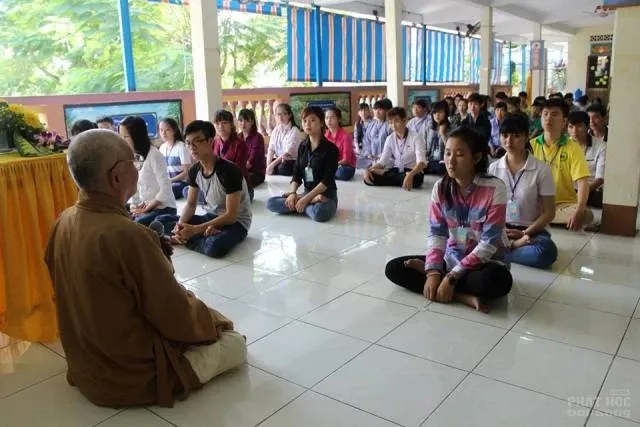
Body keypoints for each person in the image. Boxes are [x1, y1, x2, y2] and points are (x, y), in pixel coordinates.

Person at [45, 129, 246, 408]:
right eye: (133, 162)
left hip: (84, 363)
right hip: (130, 373)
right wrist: (212, 321)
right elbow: (174, 314)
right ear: (117, 176)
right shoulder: (127, 235)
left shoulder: (63, 220)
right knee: (235, 343)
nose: (137, 168)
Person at [385, 127, 512, 313]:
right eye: (447, 153)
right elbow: (437, 233)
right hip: (452, 256)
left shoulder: (495, 188)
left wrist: (451, 277)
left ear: (476, 158)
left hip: (486, 262)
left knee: (497, 281)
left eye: (459, 154)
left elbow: (489, 244)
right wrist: (433, 272)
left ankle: (444, 283)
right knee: (394, 268)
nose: (450, 161)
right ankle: (461, 295)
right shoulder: (440, 187)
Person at [157, 120, 252, 258]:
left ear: (210, 141)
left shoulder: (229, 171)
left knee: (215, 247)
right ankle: (190, 236)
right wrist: (180, 226)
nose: (192, 147)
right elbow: (191, 204)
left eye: (197, 141)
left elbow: (231, 215)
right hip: (212, 216)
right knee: (161, 220)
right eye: (188, 143)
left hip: (236, 223)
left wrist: (195, 230)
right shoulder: (194, 170)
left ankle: (189, 238)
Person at [489, 114, 558, 269]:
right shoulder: (493, 168)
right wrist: (501, 232)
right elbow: (488, 208)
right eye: (505, 135)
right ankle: (511, 247)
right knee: (464, 237)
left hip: (532, 231)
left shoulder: (541, 170)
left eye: (516, 136)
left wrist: (525, 233)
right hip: (501, 229)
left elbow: (549, 213)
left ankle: (496, 252)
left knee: (545, 252)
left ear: (526, 137)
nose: (509, 141)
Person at [266, 106, 339, 222]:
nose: (307, 124)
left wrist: (305, 199)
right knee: (270, 203)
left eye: (312, 120)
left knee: (319, 213)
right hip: (308, 194)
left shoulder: (331, 149)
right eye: (305, 121)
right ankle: (306, 203)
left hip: (326, 196)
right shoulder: (303, 146)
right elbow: (296, 174)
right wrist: (293, 193)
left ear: (321, 123)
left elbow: (326, 181)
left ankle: (301, 204)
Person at [531, 98, 594, 230]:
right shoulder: (531, 145)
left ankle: (543, 217)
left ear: (564, 121)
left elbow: (582, 181)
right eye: (545, 114)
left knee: (586, 214)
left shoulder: (573, 147)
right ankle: (546, 217)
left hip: (563, 205)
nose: (548, 118)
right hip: (535, 203)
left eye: (554, 114)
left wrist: (580, 207)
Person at [119, 116, 176, 226]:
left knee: (137, 224)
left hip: (164, 208)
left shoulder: (154, 155)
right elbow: (137, 188)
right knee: (123, 218)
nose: (122, 140)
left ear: (137, 136)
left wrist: (148, 208)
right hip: (148, 205)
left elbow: (166, 188)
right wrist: (137, 205)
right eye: (120, 136)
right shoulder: (134, 156)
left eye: (125, 136)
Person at [363, 107, 426, 190]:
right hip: (396, 171)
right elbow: (382, 162)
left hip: (412, 171)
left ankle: (395, 178)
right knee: (369, 177)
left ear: (405, 121)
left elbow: (422, 163)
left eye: (396, 121)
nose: (393, 125)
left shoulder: (416, 137)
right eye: (390, 122)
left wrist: (410, 174)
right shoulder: (390, 138)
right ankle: (398, 179)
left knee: (416, 179)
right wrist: (369, 170)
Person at [568, 111, 606, 209]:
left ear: (588, 126)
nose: (574, 131)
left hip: (591, 189)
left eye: (579, 126)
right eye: (571, 127)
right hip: (569, 190)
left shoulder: (601, 146)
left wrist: (582, 192)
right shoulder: (564, 145)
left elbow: (600, 178)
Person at [212, 109, 253, 201]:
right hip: (219, 187)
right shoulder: (214, 143)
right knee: (187, 190)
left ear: (231, 124)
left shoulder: (240, 144)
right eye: (217, 123)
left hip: (239, 188)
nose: (220, 126)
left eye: (224, 123)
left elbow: (238, 172)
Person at [158, 117, 192, 200]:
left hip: (182, 183)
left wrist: (170, 180)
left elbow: (186, 173)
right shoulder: (162, 147)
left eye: (167, 130)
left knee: (168, 191)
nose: (164, 133)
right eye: (161, 130)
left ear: (174, 130)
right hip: (168, 182)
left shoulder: (181, 147)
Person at [266, 103, 301, 176]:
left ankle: (274, 169)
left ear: (290, 115)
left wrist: (272, 165)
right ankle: (273, 169)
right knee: (262, 161)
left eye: (284, 114)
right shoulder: (276, 130)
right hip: (279, 160)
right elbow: (271, 149)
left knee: (283, 167)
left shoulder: (294, 130)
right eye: (278, 114)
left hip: (290, 160)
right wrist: (268, 164)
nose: (280, 117)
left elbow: (288, 152)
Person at [355, 99, 391, 169]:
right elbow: (367, 141)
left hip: (385, 158)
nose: (377, 111)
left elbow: (391, 145)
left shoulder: (389, 126)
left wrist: (379, 156)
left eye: (380, 109)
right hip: (371, 157)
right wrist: (368, 154)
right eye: (375, 109)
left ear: (385, 111)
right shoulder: (371, 125)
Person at [324, 107, 356, 181]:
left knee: (343, 172)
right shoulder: (325, 136)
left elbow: (346, 160)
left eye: (332, 117)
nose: (329, 120)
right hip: (331, 167)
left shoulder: (346, 136)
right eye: (327, 118)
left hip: (345, 167)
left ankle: (327, 174)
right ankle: (328, 174)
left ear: (339, 119)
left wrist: (331, 166)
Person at [237, 108, 266, 188]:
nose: (243, 123)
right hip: (242, 170)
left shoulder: (258, 137)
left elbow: (251, 162)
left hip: (256, 173)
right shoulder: (237, 137)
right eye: (241, 120)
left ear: (252, 122)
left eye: (246, 121)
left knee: (241, 181)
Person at [424, 101, 449, 175]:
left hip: (443, 159)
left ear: (446, 113)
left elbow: (451, 148)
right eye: (434, 113)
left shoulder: (451, 127)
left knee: (442, 168)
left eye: (440, 112)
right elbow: (425, 144)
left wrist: (443, 134)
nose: (437, 115)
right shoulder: (429, 127)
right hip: (430, 158)